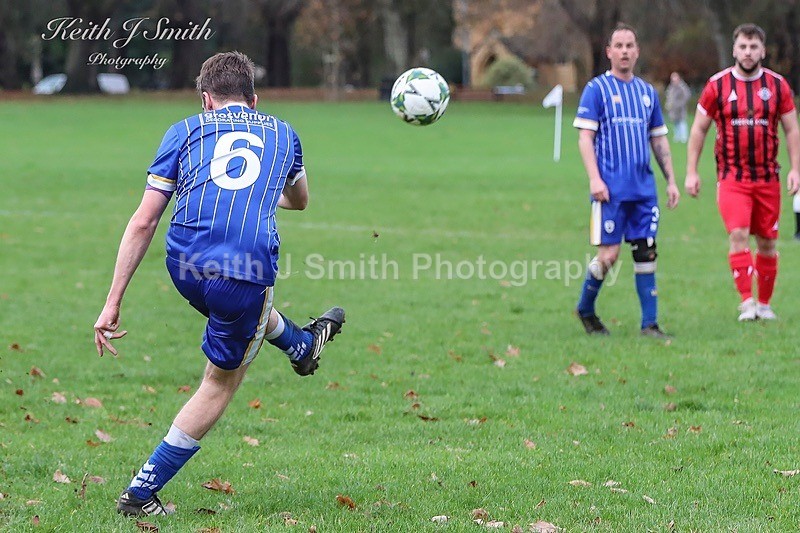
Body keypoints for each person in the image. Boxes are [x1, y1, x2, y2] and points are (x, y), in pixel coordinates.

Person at [92, 51, 346, 517]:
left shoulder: (184, 131)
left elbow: (145, 221)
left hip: (183, 266)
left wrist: (113, 301)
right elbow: (300, 200)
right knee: (218, 382)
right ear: (256, 98)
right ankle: (140, 493)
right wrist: (260, 193)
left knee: (243, 315)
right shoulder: (284, 134)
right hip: (244, 271)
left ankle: (301, 347)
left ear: (206, 99)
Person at [685, 23, 800, 321]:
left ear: (763, 50)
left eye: (753, 47)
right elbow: (698, 129)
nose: (748, 53)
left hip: (768, 179)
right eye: (743, 47)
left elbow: (791, 130)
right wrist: (691, 171)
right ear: (734, 49)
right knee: (738, 233)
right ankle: (746, 302)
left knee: (767, 242)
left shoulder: (778, 86)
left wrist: (796, 169)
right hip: (732, 177)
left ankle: (764, 303)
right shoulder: (717, 85)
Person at [574, 23, 680, 338]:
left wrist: (671, 181)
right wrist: (595, 179)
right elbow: (585, 138)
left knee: (646, 252)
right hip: (610, 192)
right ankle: (585, 308)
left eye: (629, 45)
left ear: (637, 51)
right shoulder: (596, 89)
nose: (624, 51)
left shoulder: (647, 93)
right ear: (609, 52)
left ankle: (650, 324)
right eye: (618, 45)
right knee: (608, 256)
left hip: (644, 191)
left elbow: (659, 141)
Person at [665, 71, 691, 143]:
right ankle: (677, 137)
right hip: (673, 110)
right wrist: (668, 105)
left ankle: (684, 138)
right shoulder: (671, 87)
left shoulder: (682, 86)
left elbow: (687, 95)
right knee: (675, 123)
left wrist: (680, 103)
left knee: (682, 122)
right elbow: (669, 97)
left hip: (680, 109)